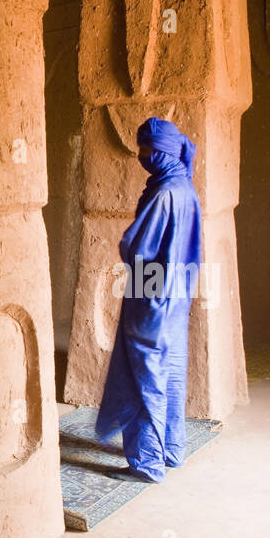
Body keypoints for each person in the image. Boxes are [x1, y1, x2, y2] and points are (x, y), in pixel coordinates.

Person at [95, 117, 202, 483]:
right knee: (169, 372)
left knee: (142, 376)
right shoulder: (185, 188)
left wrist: (128, 248)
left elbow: (137, 247)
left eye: (147, 149)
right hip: (175, 297)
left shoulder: (163, 193)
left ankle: (147, 463)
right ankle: (171, 450)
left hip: (150, 296)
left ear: (163, 151)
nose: (142, 155)